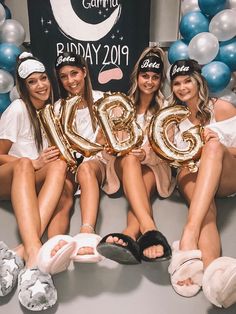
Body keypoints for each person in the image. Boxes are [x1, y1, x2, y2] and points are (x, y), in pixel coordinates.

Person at [0, 52, 68, 311]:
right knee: (26, 163)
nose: (41, 85)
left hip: (27, 185)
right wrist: (32, 163)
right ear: (23, 86)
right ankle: (34, 258)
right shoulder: (18, 109)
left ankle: (22, 252)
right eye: (32, 82)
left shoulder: (52, 112)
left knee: (59, 164)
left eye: (43, 79)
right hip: (7, 179)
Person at [96, 46, 176, 264]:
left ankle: (130, 235)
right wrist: (117, 149)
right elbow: (101, 143)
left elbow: (168, 153)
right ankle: (151, 230)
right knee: (130, 159)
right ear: (137, 77)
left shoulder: (165, 111)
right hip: (123, 165)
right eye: (144, 76)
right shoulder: (119, 106)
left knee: (140, 190)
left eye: (154, 77)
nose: (149, 81)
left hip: (153, 169)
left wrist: (146, 157)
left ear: (160, 81)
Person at [167, 59, 236, 308]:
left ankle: (188, 237)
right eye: (176, 83)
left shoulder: (223, 108)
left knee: (213, 146)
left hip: (226, 176)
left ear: (199, 81)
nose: (183, 87)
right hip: (192, 173)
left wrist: (215, 143)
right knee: (205, 209)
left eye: (187, 81)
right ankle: (211, 277)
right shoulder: (172, 119)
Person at [37, 52, 107, 269]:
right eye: (64, 76)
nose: (70, 81)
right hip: (69, 165)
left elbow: (106, 144)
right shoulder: (57, 108)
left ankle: (86, 232)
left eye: (74, 73)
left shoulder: (103, 100)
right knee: (63, 196)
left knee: (86, 170)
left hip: (95, 164)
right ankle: (53, 248)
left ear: (84, 72)